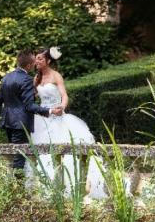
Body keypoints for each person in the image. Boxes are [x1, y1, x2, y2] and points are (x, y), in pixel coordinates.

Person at [28, 47, 107, 198]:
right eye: (36, 58)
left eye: (40, 59)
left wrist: (62, 107)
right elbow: (31, 98)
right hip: (43, 118)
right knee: (41, 149)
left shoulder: (56, 76)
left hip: (58, 116)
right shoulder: (36, 79)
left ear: (48, 61)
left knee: (64, 149)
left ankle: (70, 185)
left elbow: (64, 95)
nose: (36, 61)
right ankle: (43, 186)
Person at [0, 50, 63, 171]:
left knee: (15, 154)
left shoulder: (7, 77)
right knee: (19, 158)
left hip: (8, 122)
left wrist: (3, 115)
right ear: (29, 66)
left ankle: (13, 185)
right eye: (34, 62)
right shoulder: (26, 79)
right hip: (21, 125)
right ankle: (17, 187)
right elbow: (29, 106)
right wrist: (50, 110)